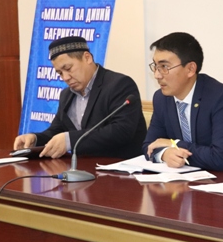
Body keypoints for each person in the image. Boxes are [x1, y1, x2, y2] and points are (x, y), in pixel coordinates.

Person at [14, 36, 147, 159]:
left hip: (119, 167)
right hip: (82, 168)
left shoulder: (119, 84)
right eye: (60, 73)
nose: (65, 77)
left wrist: (70, 140)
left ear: (87, 58)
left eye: (68, 68)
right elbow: (57, 130)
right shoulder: (66, 95)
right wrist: (35, 139)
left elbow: (121, 131)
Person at [143, 32, 223, 172]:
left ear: (190, 69)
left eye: (164, 67)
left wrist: (175, 144)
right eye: (155, 66)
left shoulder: (222, 99)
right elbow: (149, 145)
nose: (157, 75)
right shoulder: (161, 98)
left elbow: (220, 158)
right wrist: (164, 154)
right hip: (187, 179)